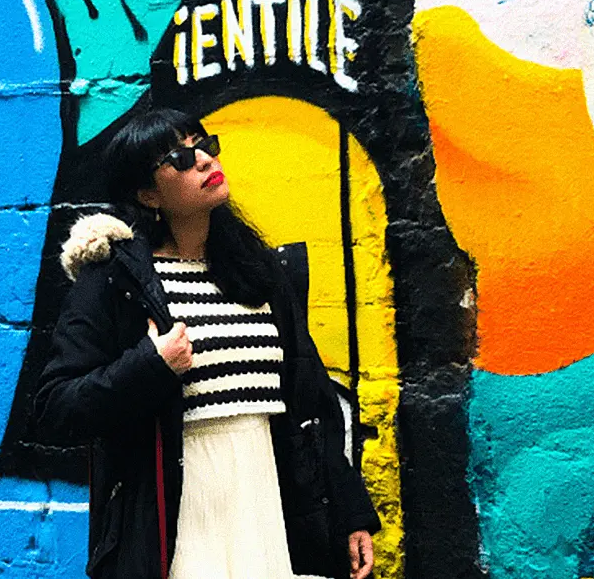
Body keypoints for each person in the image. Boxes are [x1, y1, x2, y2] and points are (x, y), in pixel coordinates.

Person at [33, 108, 380, 579]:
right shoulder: (115, 281)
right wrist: (151, 364)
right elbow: (58, 405)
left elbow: (310, 403)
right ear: (147, 194)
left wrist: (348, 512)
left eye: (204, 145)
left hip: (267, 505)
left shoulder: (259, 276)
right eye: (177, 157)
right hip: (176, 514)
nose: (200, 159)